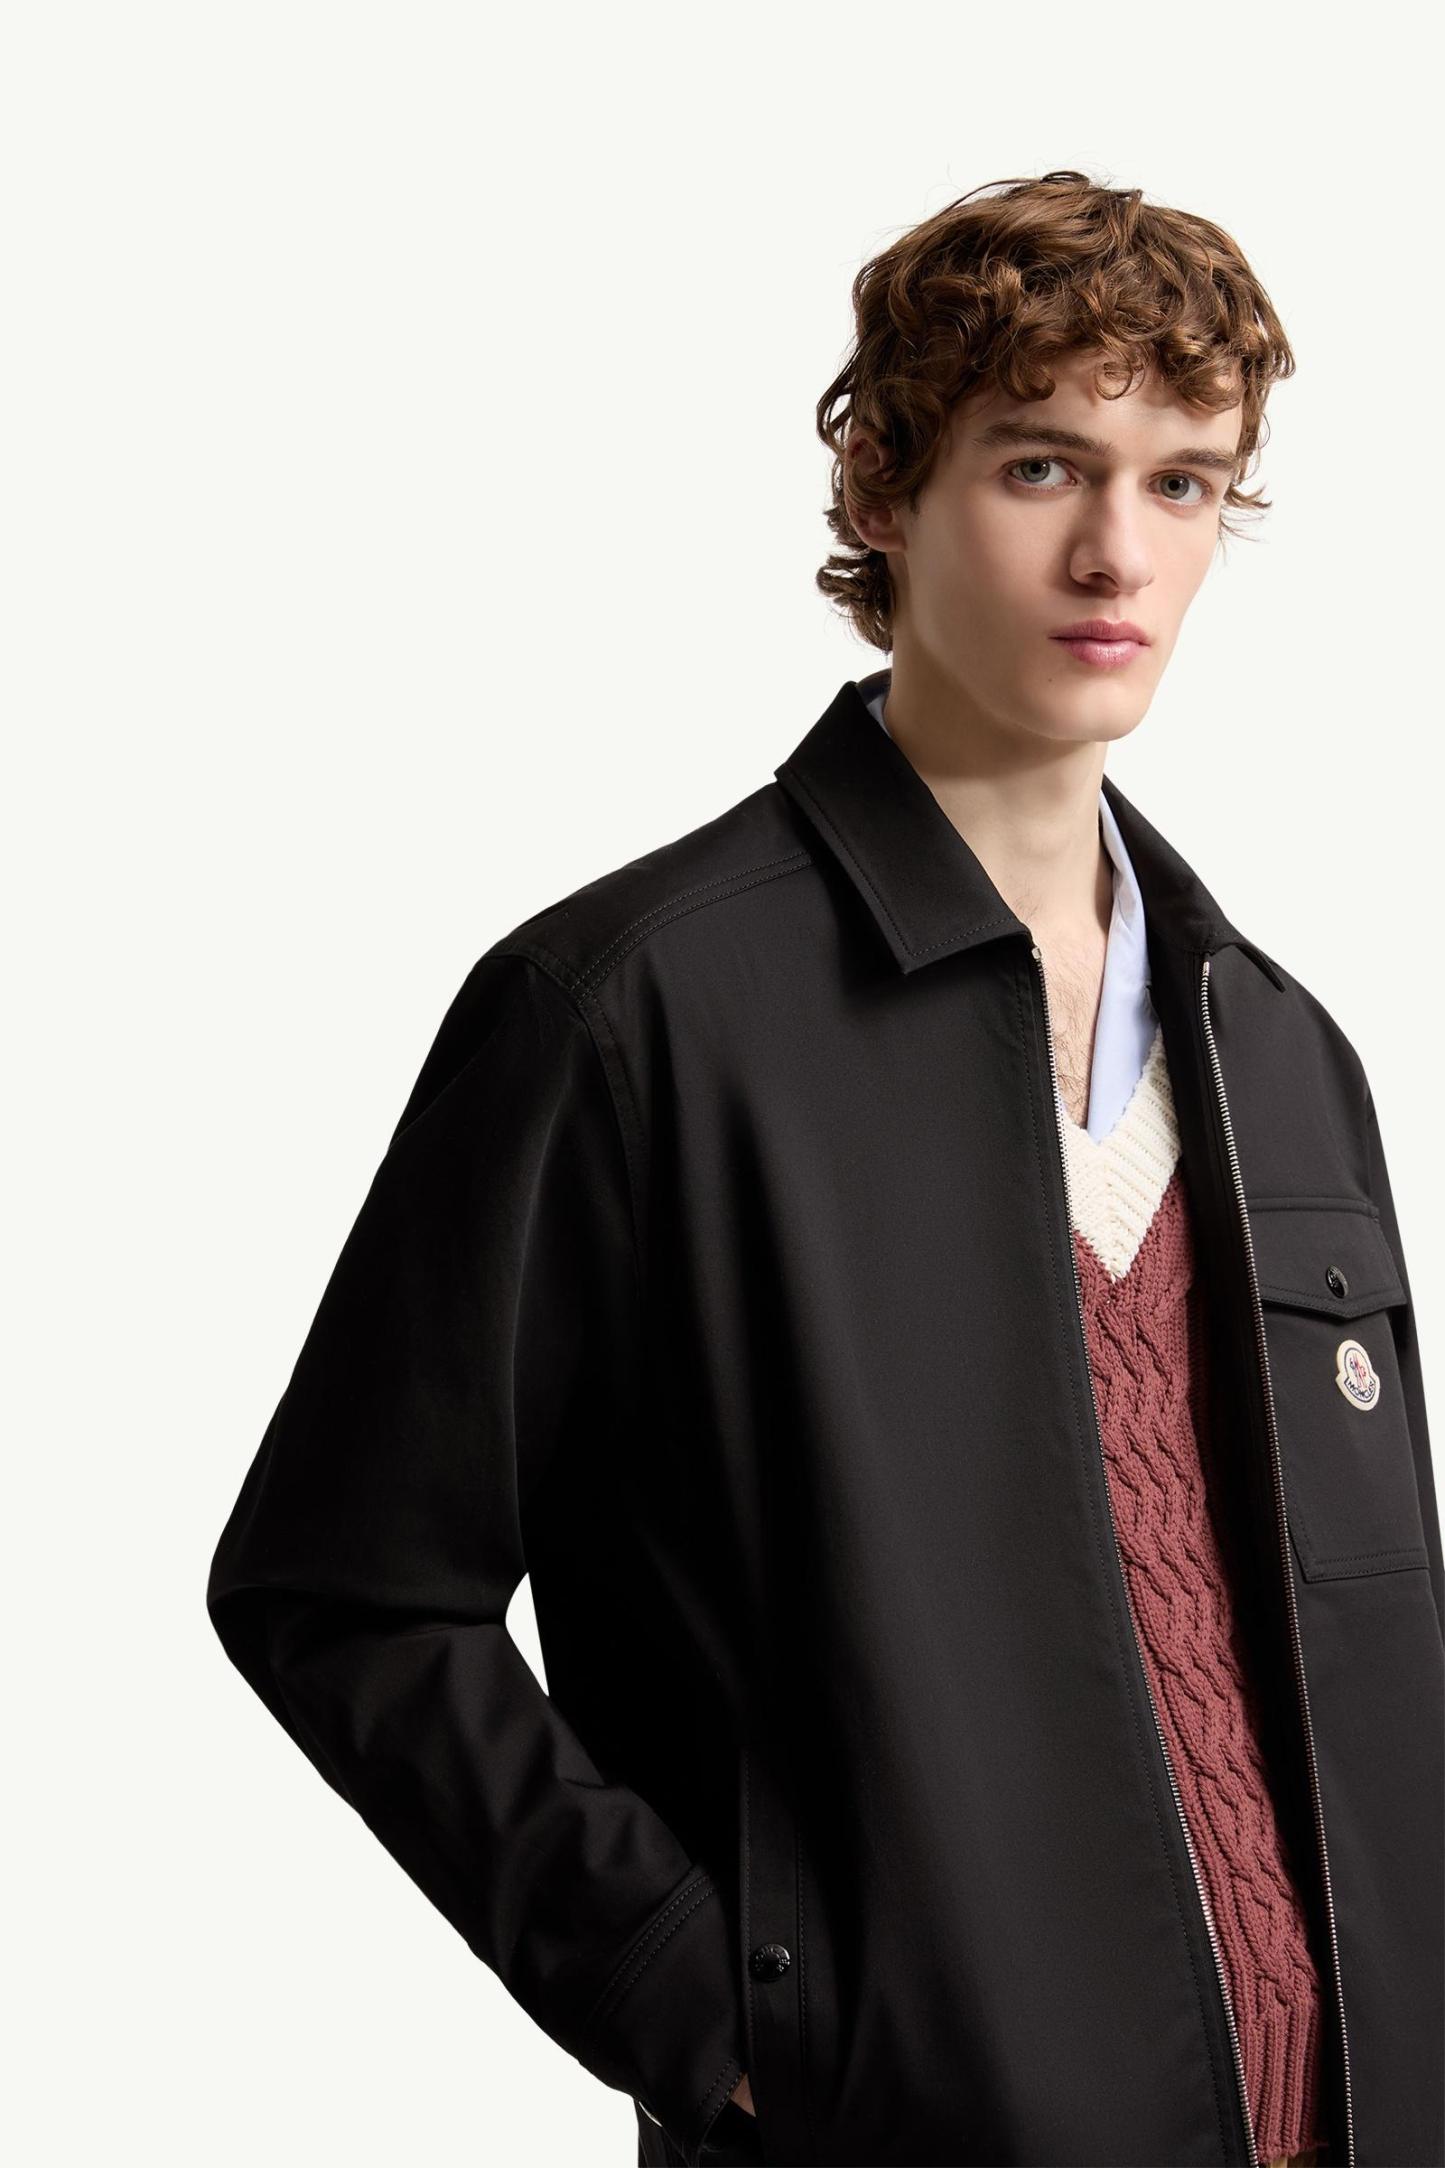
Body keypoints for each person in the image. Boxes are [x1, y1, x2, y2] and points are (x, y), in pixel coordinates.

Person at [206, 172, 1443, 2168]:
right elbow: (344, 1587)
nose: (1118, 549)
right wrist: (702, 2009)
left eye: (1182, 482)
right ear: (882, 484)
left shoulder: (1283, 1054)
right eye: (1041, 465)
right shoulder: (630, 1011)